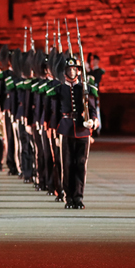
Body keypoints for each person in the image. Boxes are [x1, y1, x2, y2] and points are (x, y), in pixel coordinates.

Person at [56, 55, 98, 209]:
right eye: (69, 69)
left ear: (79, 72)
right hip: (66, 129)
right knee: (67, 165)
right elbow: (54, 113)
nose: (72, 72)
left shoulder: (85, 89)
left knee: (81, 165)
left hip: (83, 130)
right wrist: (54, 132)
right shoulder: (60, 89)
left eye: (75, 69)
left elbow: (92, 110)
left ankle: (78, 197)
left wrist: (92, 121)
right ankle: (68, 198)